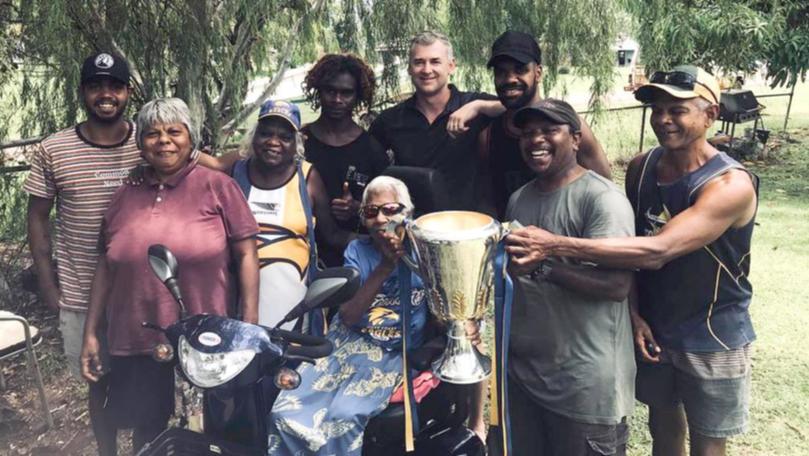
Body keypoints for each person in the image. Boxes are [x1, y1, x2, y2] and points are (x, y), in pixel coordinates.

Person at [505, 66, 758, 456]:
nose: (663, 118)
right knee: (663, 428)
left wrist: (553, 245)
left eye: (678, 109)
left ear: (710, 115)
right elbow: (626, 253)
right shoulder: (642, 168)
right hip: (655, 325)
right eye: (657, 108)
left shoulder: (729, 184)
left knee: (708, 443)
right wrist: (635, 314)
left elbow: (655, 251)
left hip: (712, 331)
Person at [80, 97, 259, 454]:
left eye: (174, 131)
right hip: (138, 340)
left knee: (212, 435)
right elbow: (106, 265)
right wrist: (91, 333)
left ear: (191, 140)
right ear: (140, 144)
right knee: (149, 436)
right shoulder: (123, 195)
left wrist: (249, 326)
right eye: (152, 133)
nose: (164, 140)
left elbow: (247, 255)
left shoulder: (217, 186)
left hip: (207, 341)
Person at [492, 99, 635, 455]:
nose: (535, 140)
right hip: (524, 379)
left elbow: (618, 286)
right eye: (527, 133)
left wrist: (545, 266)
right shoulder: (518, 199)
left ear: (575, 139)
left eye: (548, 130)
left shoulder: (602, 199)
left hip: (583, 386)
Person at [24, 52, 143, 455]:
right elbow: (38, 218)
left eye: (115, 86)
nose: (105, 95)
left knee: (148, 383)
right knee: (98, 384)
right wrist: (48, 283)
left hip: (143, 292)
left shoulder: (148, 144)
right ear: (83, 92)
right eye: (96, 86)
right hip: (79, 293)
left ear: (128, 93)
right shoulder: (53, 150)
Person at [266, 175, 430, 455]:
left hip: (391, 350)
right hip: (345, 343)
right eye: (371, 211)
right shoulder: (358, 250)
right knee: (284, 414)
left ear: (408, 214)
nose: (380, 219)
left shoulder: (426, 252)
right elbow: (350, 316)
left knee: (342, 418)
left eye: (390, 210)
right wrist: (384, 268)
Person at [454, 30, 611, 219]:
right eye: (501, 72)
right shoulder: (488, 137)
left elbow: (605, 188)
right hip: (513, 241)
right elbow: (487, 198)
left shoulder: (570, 127)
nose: (510, 78)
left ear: (538, 73)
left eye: (520, 69)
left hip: (567, 239)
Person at [228, 100, 355, 329]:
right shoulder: (234, 174)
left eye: (284, 137)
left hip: (291, 301)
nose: (273, 142)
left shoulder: (308, 178)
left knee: (288, 359)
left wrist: (375, 238)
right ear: (253, 136)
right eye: (265, 133)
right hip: (235, 298)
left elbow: (332, 234)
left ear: (296, 143)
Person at [368, 31, 503, 212]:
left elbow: (520, 107)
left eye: (435, 61)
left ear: (451, 66)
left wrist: (478, 107)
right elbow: (369, 163)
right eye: (419, 62)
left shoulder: (472, 105)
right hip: (414, 226)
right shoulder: (390, 120)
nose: (426, 70)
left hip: (468, 223)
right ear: (409, 68)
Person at [301, 53, 391, 266]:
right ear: (318, 91)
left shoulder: (372, 150)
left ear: (358, 96)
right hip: (305, 258)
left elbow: (391, 216)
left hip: (360, 260)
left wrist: (358, 208)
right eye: (330, 90)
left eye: (346, 93)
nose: (337, 100)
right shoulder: (298, 142)